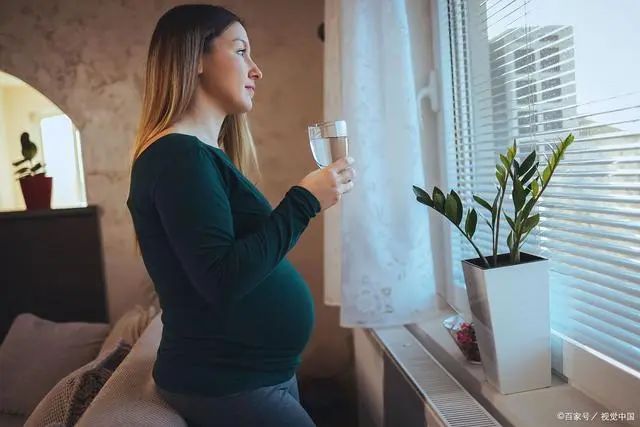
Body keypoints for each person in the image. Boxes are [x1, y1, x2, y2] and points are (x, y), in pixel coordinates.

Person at [126, 4, 355, 427]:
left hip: (254, 375)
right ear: (195, 58)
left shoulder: (199, 154)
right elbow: (221, 277)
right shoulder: (178, 156)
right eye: (240, 51)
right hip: (226, 383)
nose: (256, 69)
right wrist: (304, 201)